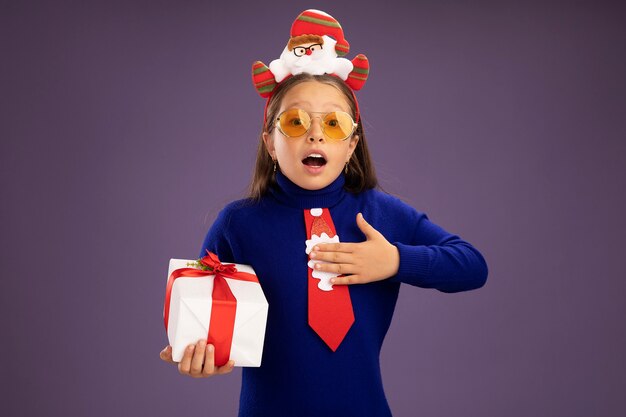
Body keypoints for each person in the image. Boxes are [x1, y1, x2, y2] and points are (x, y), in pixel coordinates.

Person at [160, 9, 488, 417]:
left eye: (333, 123)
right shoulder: (237, 224)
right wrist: (202, 352)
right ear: (270, 142)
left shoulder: (382, 215)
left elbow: (473, 266)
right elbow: (206, 325)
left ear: (351, 145)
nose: (315, 133)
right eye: (295, 122)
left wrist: (396, 260)